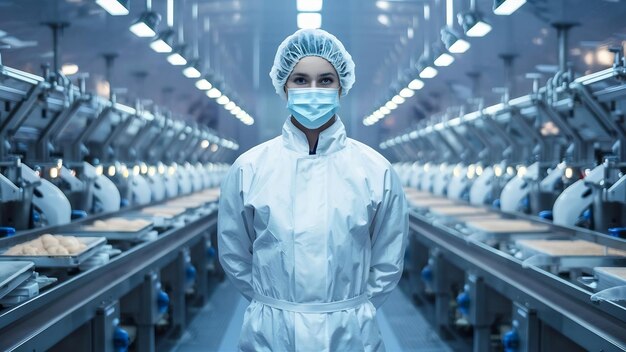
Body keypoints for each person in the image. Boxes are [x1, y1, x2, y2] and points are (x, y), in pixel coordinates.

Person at [218, 28, 408, 352]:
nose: (313, 90)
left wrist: (351, 309)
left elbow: (388, 261)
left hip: (349, 333)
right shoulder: (250, 169)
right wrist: (276, 306)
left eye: (325, 80)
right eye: (301, 80)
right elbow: (235, 254)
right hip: (271, 334)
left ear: (341, 87)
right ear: (284, 86)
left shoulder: (376, 171)